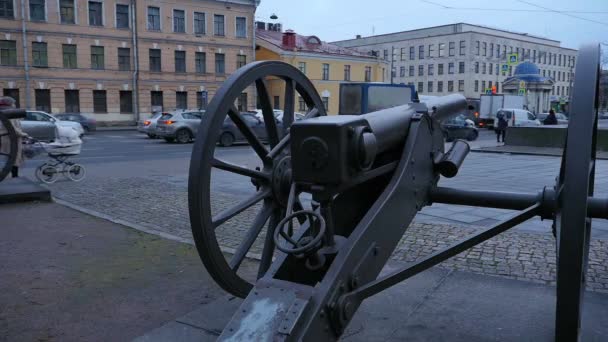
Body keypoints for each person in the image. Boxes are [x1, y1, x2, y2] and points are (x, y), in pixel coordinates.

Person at [0, 97, 27, 177]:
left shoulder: (9, 112)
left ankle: (14, 175)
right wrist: (23, 134)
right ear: (10, 104)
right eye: (13, 103)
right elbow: (12, 128)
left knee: (13, 159)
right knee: (13, 159)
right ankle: (14, 176)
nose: (15, 105)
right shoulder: (8, 113)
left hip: (10, 139)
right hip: (10, 140)